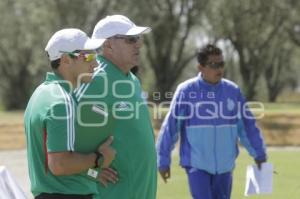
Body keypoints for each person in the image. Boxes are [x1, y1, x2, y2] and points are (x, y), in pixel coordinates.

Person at [156, 44, 267, 199]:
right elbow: (171, 127)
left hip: (225, 167)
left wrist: (259, 154)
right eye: (213, 65)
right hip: (196, 165)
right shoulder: (186, 91)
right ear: (200, 67)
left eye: (221, 64)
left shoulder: (232, 91)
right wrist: (163, 160)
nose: (219, 69)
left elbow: (248, 126)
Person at [24, 28, 116, 199]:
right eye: (88, 56)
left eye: (95, 56)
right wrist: (99, 159)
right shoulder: (62, 101)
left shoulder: (41, 93)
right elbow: (59, 165)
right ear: (66, 59)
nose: (95, 64)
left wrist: (93, 173)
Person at [74, 15, 157, 199]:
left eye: (138, 39)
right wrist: (91, 173)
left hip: (142, 190)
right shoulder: (94, 80)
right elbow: (63, 143)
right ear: (108, 45)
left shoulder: (132, 80)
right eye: (131, 40)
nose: (139, 45)